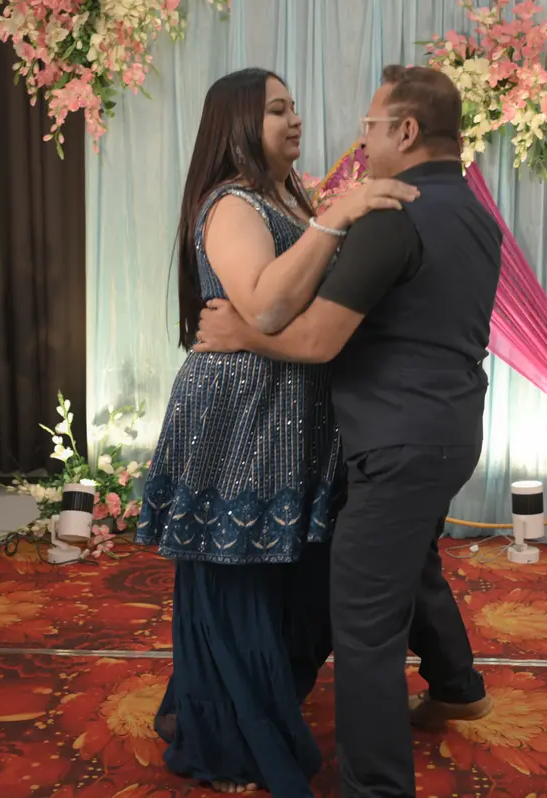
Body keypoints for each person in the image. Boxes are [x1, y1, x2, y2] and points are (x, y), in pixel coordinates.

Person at [195, 65, 501, 798]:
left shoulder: (392, 214)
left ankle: (376, 787)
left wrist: (240, 333)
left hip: (396, 441)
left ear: (406, 131)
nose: (360, 142)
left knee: (364, 626)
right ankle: (457, 685)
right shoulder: (476, 212)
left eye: (370, 127)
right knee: (413, 563)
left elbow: (314, 340)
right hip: (454, 430)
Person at [136, 67, 419, 796]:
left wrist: (332, 216)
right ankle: (228, 742)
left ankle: (242, 708)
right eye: (276, 111)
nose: (294, 120)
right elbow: (264, 308)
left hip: (289, 410)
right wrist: (340, 214)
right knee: (238, 583)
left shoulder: (287, 197)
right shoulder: (232, 203)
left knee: (296, 584)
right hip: (239, 413)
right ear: (237, 125)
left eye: (293, 107)